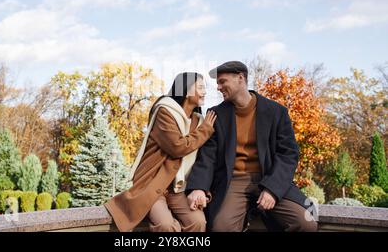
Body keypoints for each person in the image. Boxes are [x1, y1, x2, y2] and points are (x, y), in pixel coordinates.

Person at [186, 61, 318, 232]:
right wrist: (198, 187)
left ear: (240, 78)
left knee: (306, 223)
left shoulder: (276, 112)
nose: (218, 87)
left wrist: (272, 189)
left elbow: (288, 154)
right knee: (221, 227)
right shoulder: (216, 114)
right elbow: (207, 156)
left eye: (222, 81)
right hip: (232, 181)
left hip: (269, 177)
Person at [105, 72, 217, 232]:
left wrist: (201, 189)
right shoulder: (165, 113)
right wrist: (205, 130)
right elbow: (177, 147)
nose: (204, 92)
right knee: (166, 225)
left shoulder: (199, 121)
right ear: (185, 90)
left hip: (180, 188)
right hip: (153, 183)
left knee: (198, 221)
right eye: (200, 87)